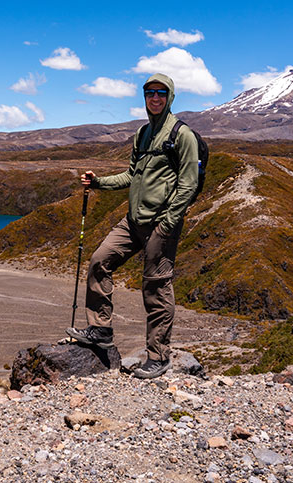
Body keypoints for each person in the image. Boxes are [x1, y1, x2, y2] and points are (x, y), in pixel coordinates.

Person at [67, 73, 199, 379]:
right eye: (150, 93)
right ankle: (101, 329)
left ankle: (159, 356)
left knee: (155, 287)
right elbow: (131, 176)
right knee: (100, 259)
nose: (155, 98)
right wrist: (98, 182)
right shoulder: (142, 133)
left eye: (161, 93)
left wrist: (168, 222)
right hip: (134, 219)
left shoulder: (182, 135)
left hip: (160, 224)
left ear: (171, 97)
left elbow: (188, 185)